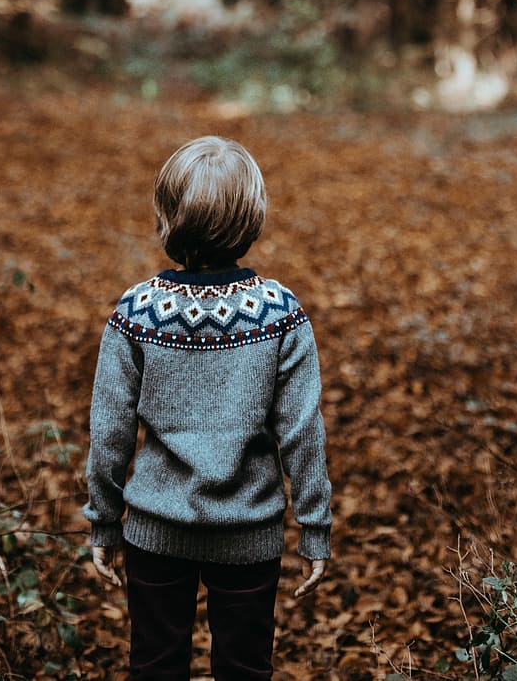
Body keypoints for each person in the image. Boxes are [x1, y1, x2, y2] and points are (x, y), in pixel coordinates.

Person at [83, 135, 332, 681]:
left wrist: (103, 521)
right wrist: (314, 527)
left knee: (155, 666)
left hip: (154, 530)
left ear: (167, 214)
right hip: (249, 530)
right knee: (244, 669)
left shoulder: (138, 311)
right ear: (251, 217)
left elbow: (111, 432)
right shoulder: (279, 312)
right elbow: (302, 431)